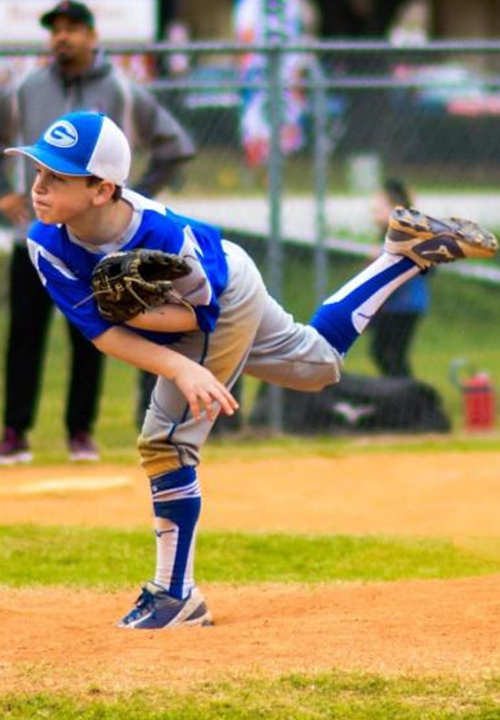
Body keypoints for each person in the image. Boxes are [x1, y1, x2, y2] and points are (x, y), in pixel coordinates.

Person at [6, 111, 497, 628]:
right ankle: (401, 256)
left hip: (222, 294)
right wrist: (163, 349)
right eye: (38, 172)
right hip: (198, 310)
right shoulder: (45, 242)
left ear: (103, 189)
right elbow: (101, 332)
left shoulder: (169, 238)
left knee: (166, 441)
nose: (38, 187)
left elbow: (201, 316)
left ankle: (176, 596)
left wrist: (182, 367)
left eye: (56, 177)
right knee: (318, 366)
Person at [0, 0, 195, 463]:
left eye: (72, 28)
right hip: (36, 233)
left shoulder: (123, 92)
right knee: (24, 332)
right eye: (56, 30)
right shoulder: (25, 88)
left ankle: (80, 432)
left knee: (92, 331)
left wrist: (131, 197)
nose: (61, 37)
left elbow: (175, 145)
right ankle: (14, 432)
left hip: (97, 242)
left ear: (92, 35)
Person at [369, 178, 430, 377]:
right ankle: (400, 398)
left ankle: (408, 399)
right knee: (383, 353)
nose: (374, 211)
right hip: (393, 305)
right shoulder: (388, 233)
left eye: (379, 207)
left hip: (405, 305)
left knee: (391, 354)